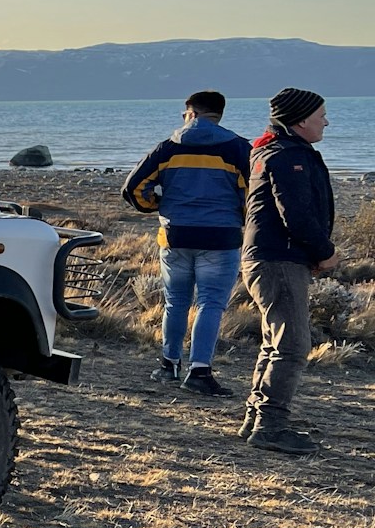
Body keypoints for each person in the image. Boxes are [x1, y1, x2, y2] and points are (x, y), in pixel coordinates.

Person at [123, 90, 251, 396]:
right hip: (220, 238)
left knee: (175, 302)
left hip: (175, 236)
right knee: (210, 303)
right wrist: (241, 217)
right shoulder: (238, 148)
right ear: (218, 115)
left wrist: (156, 206)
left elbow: (133, 188)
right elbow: (254, 194)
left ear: (191, 114)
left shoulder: (167, 147)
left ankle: (169, 364)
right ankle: (199, 371)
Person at [240, 87, 338, 454]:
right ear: (300, 121)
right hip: (278, 260)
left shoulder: (274, 151)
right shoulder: (287, 155)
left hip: (269, 258)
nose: (326, 122)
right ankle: (270, 426)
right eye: (321, 116)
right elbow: (295, 215)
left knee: (275, 342)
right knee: (293, 345)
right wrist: (325, 252)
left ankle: (257, 419)